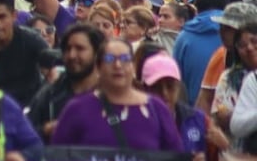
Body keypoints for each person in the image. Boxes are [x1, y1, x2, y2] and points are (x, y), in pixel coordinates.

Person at [52, 38, 185, 151]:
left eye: (125, 59)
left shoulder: (156, 109)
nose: (118, 65)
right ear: (98, 67)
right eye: (110, 59)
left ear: (133, 66)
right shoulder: (77, 109)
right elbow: (57, 159)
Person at [141, 54, 217, 161]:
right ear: (143, 88)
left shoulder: (198, 120)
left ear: (179, 87)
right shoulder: (135, 124)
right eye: (156, 88)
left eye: (170, 86)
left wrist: (222, 144)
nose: (165, 94)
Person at [26, 24, 105, 143]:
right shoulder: (49, 95)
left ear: (96, 53)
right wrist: (46, 130)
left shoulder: (111, 93)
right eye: (68, 49)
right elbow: (25, 134)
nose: (72, 55)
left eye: (80, 49)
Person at [175, 0, 229, 104]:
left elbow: (176, 79)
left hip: (192, 112)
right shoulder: (236, 33)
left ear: (197, 8)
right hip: (231, 112)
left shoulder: (184, 37)